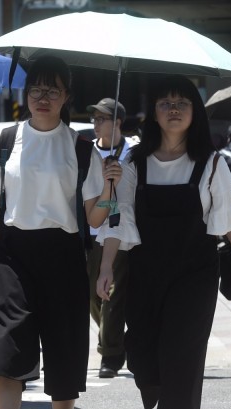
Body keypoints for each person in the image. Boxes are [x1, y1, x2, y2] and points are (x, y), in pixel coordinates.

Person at [96, 75, 231, 409]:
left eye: (182, 102)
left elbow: (229, 223)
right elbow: (120, 218)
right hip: (145, 271)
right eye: (164, 102)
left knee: (182, 358)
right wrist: (106, 267)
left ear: (195, 112)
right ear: (153, 112)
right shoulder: (133, 163)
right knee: (139, 351)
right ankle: (159, 385)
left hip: (194, 275)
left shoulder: (211, 163)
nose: (173, 109)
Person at [0, 55, 121, 409]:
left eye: (53, 90)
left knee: (66, 349)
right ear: (25, 95)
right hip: (14, 254)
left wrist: (109, 186)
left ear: (67, 96)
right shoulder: (4, 140)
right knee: (8, 346)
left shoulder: (81, 146)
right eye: (36, 89)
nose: (43, 98)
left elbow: (94, 218)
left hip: (65, 253)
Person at [85, 97, 137, 378]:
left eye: (102, 118)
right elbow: (96, 206)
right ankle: (115, 340)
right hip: (94, 234)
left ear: (118, 122)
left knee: (112, 296)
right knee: (94, 296)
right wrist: (107, 193)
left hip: (126, 234)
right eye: (95, 118)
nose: (96, 123)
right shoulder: (89, 153)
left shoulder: (133, 152)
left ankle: (110, 353)